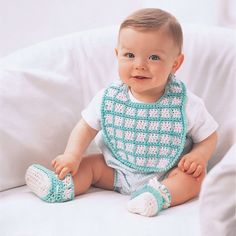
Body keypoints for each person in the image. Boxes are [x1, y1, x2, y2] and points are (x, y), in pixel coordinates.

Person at [25, 8, 218, 217]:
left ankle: (157, 197)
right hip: (115, 170)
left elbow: (209, 135)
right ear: (118, 55)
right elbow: (85, 128)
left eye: (153, 57)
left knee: (193, 179)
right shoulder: (108, 98)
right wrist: (72, 155)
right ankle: (60, 186)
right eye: (130, 55)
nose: (140, 65)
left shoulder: (185, 103)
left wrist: (199, 156)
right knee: (90, 165)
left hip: (166, 173)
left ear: (175, 63)